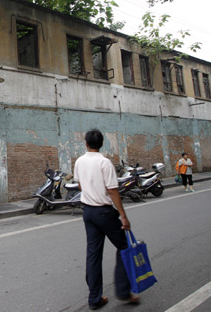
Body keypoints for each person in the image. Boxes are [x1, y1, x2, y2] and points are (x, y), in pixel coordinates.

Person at [73, 129, 139, 310]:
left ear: (86, 143)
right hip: (104, 212)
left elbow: (80, 184)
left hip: (88, 213)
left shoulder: (79, 161)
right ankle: (124, 291)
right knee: (124, 247)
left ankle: (94, 298)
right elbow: (112, 190)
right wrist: (124, 216)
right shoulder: (104, 163)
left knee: (93, 255)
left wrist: (90, 192)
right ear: (101, 144)